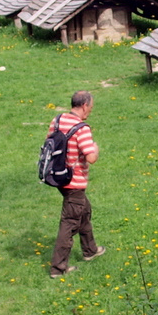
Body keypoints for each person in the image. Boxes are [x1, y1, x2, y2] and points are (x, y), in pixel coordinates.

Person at [49, 90, 102, 278]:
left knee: (84, 211)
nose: (90, 111)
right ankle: (58, 268)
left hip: (59, 177)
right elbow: (91, 158)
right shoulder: (82, 128)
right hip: (74, 182)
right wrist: (95, 148)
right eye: (91, 107)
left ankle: (90, 250)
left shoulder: (57, 120)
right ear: (85, 106)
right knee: (69, 222)